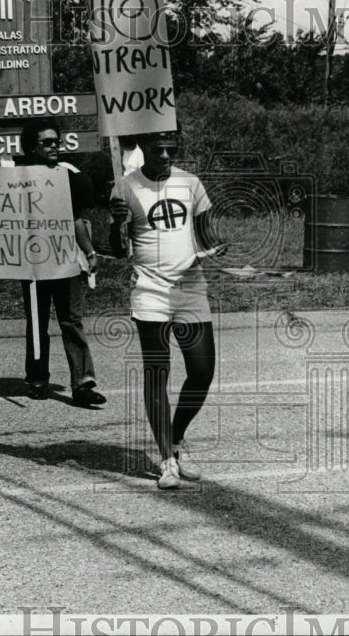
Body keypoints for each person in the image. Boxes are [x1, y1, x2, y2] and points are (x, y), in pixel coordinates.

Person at [108, 128, 227, 490]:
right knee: (157, 373)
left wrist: (217, 248)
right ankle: (165, 461)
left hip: (190, 287)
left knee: (202, 370)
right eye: (157, 149)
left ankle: (175, 440)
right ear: (142, 148)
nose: (164, 155)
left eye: (170, 149)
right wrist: (116, 222)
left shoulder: (190, 183)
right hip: (150, 291)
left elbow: (205, 233)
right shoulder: (126, 187)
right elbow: (115, 249)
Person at [18, 118, 106, 407]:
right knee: (37, 320)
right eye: (47, 142)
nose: (54, 146)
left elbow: (76, 219)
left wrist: (90, 252)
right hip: (33, 262)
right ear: (33, 147)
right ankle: (37, 378)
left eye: (57, 141)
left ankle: (83, 384)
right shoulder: (17, 178)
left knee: (72, 321)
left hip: (65, 259)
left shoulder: (68, 176)